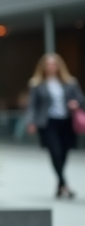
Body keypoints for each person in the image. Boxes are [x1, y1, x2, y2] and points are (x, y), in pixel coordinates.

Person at [24, 53, 84, 199]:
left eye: (54, 64)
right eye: (48, 64)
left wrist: (75, 103)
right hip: (48, 122)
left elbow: (81, 99)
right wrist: (30, 121)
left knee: (64, 152)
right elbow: (32, 105)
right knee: (55, 152)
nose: (51, 67)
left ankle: (59, 185)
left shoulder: (70, 82)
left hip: (66, 121)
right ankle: (65, 184)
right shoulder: (37, 84)